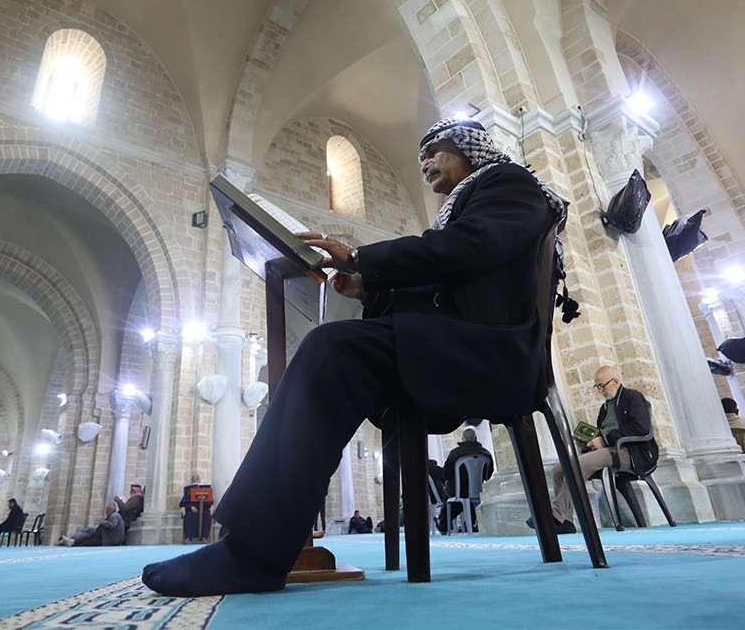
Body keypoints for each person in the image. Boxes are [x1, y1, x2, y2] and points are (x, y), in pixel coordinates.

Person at [142, 117, 564, 597]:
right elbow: (446, 278)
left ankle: (252, 555)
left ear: (471, 148)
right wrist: (367, 290)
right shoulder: (470, 204)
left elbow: (467, 250)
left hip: (492, 353)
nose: (425, 163)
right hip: (456, 346)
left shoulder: (509, 183)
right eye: (420, 157)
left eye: (434, 151)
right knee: (333, 349)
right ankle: (255, 545)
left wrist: (361, 258)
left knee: (330, 348)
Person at [537, 365, 658, 535]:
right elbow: (601, 433)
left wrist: (604, 440)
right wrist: (589, 442)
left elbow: (641, 428)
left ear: (615, 381)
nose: (600, 391)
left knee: (577, 465)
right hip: (610, 451)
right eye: (597, 387)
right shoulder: (605, 408)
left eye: (602, 386)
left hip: (631, 452)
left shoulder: (633, 397)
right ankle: (566, 521)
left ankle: (555, 515)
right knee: (559, 468)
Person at [440, 426, 494, 532]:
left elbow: (446, 474)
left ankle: (444, 524)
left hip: (457, 491)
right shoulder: (486, 454)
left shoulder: (455, 454)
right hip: (478, 491)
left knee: (450, 495)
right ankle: (471, 522)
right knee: (470, 498)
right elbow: (487, 475)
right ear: (476, 438)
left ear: (463, 439)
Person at [59, 500, 126, 547]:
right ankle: (71, 542)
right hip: (108, 539)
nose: (106, 512)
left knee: (88, 541)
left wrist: (102, 522)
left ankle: (71, 543)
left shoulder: (115, 515)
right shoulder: (113, 516)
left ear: (110, 510)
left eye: (107, 510)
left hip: (111, 541)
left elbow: (112, 525)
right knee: (89, 537)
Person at [180, 473, 213, 542]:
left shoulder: (204, 489)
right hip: (192, 510)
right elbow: (182, 504)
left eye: (197, 479)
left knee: (207, 516)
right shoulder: (188, 490)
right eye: (193, 479)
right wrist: (190, 507)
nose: (195, 480)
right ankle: (188, 538)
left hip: (203, 510)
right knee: (188, 516)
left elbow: (211, 502)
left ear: (199, 480)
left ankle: (204, 537)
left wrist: (204, 499)